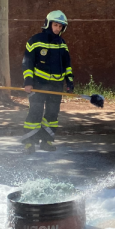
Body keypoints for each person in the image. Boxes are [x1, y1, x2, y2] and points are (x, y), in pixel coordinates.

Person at [21, 10, 73, 153]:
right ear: (48, 24)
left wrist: (69, 81)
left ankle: (46, 141)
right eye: (55, 25)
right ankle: (29, 143)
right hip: (38, 85)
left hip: (56, 86)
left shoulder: (62, 44)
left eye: (60, 27)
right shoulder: (35, 41)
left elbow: (67, 64)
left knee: (52, 115)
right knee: (35, 113)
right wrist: (28, 82)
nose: (57, 29)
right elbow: (27, 63)